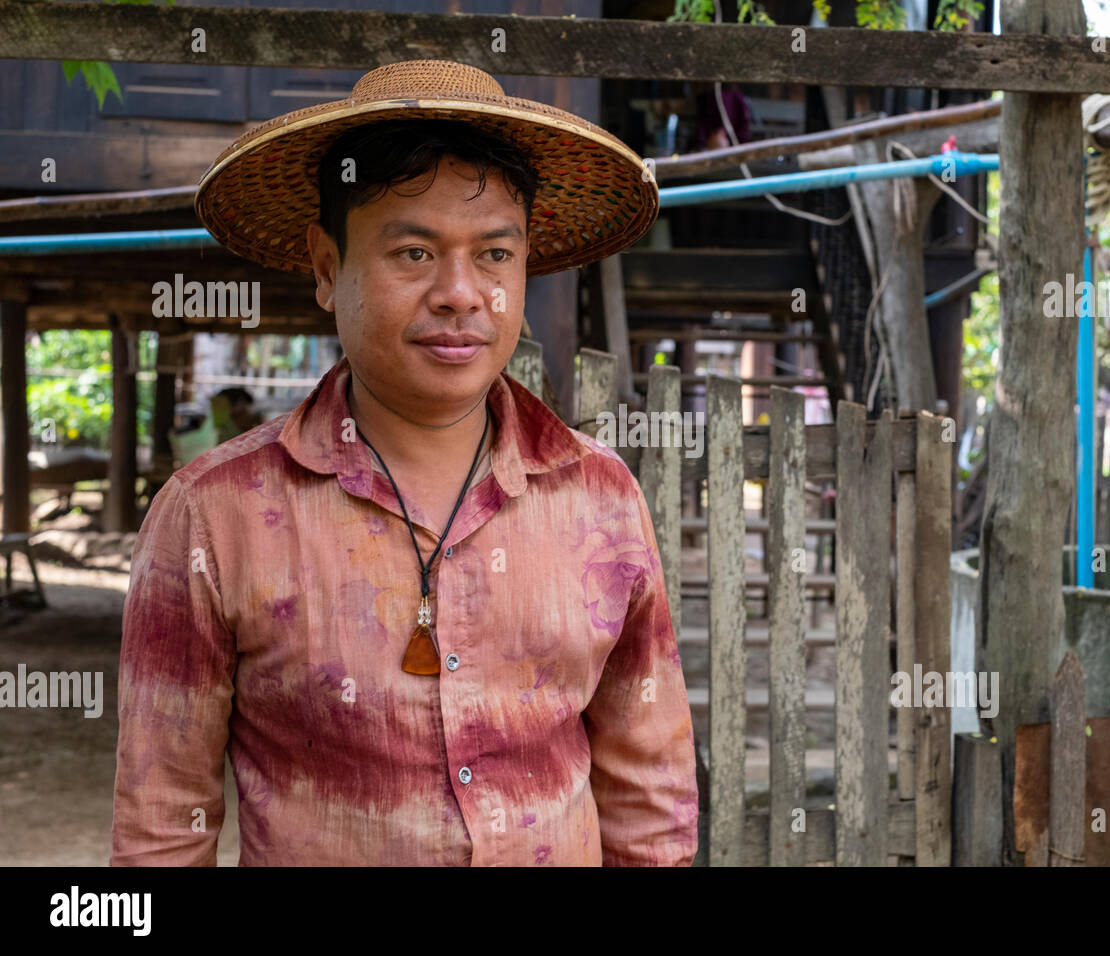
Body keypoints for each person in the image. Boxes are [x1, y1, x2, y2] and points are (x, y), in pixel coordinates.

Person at [111, 60, 698, 866]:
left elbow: (650, 795)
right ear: (326, 267)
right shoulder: (217, 515)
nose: (461, 293)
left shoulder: (600, 498)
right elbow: (161, 825)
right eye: (414, 253)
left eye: (495, 255)